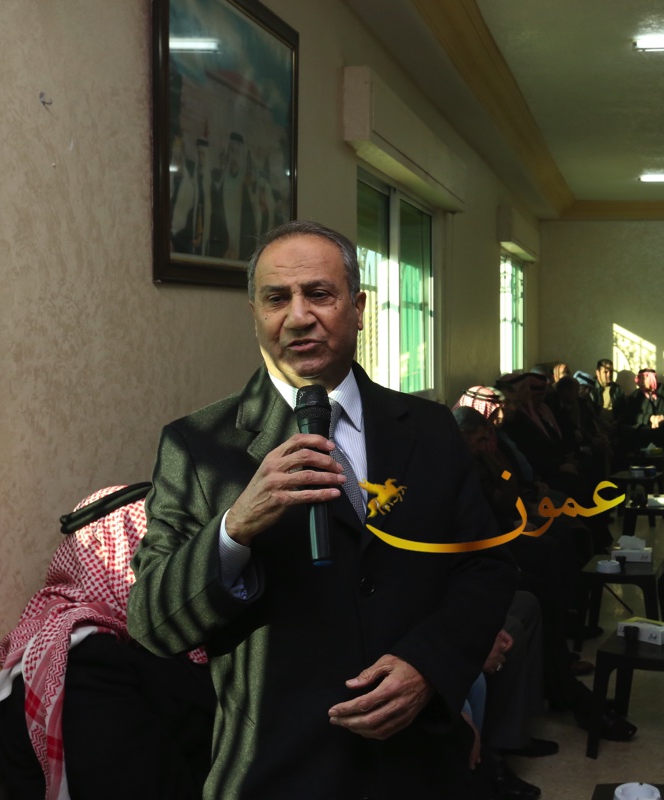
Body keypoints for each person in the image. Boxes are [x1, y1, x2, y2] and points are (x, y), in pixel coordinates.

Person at [128, 221, 518, 799]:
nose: (298, 317)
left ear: (358, 309)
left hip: (421, 762)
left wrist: (428, 667)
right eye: (276, 299)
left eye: (319, 294)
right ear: (255, 314)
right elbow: (153, 624)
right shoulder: (198, 447)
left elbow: (484, 567)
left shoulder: (430, 429)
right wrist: (234, 529)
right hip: (277, 772)